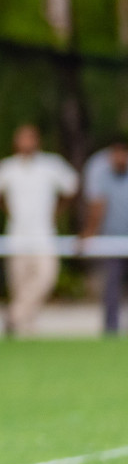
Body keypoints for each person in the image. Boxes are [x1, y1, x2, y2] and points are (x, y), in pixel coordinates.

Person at [0, 124, 77, 336]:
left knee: (46, 277)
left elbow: (71, 188)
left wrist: (56, 213)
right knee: (20, 283)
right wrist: (9, 211)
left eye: (31, 138)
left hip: (44, 234)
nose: (27, 143)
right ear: (16, 143)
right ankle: (25, 327)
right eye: (22, 139)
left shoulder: (50, 164)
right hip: (17, 235)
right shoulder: (7, 167)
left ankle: (13, 315)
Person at [81, 135, 128, 334]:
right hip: (112, 240)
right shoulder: (98, 167)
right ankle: (111, 330)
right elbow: (97, 204)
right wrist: (89, 233)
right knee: (111, 286)